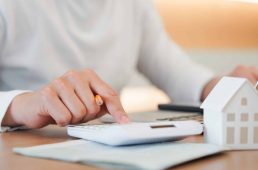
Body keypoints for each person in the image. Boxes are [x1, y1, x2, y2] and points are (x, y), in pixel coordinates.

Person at [0, 0, 257, 132]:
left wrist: (225, 88)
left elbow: (178, 72)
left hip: (105, 152)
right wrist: (20, 105)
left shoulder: (132, 5)